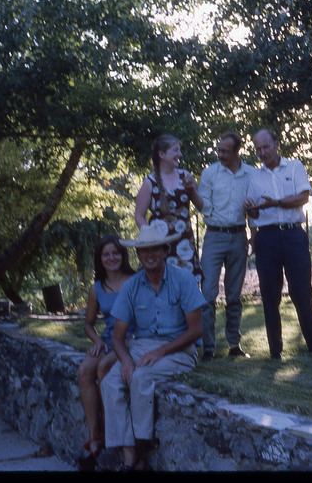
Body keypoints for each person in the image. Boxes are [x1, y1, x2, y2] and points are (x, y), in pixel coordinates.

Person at [100, 224, 207, 470]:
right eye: (144, 251)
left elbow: (196, 330)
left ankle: (141, 446)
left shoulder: (183, 279)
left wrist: (161, 352)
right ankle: (130, 458)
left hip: (180, 349)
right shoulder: (132, 285)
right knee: (109, 383)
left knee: (141, 377)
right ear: (137, 254)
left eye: (155, 250)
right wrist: (126, 360)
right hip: (141, 347)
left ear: (165, 250)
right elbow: (117, 338)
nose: (149, 255)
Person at [243, 129, 312, 359]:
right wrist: (250, 209)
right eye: (258, 149)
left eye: (266, 147)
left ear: (277, 144)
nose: (262, 152)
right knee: (270, 294)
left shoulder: (295, 167)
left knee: (301, 291)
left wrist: (275, 203)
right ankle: (275, 351)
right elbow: (254, 215)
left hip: (293, 235)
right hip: (266, 238)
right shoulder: (255, 177)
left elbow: (303, 197)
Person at [77, 235, 136, 470]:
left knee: (104, 368)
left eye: (116, 253)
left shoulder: (135, 280)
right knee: (84, 370)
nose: (111, 258)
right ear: (99, 259)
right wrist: (97, 340)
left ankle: (113, 433)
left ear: (123, 256)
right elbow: (88, 323)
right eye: (106, 254)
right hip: (111, 341)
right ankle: (95, 438)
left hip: (133, 340)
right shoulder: (96, 288)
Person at [197, 131, 255, 361]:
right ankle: (208, 348)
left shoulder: (251, 174)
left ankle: (234, 344)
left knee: (234, 295)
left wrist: (254, 234)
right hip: (214, 236)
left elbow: (254, 207)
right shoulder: (210, 173)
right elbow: (203, 205)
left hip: (239, 236)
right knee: (208, 294)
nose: (220, 154)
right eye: (218, 150)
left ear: (236, 151)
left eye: (225, 151)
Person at [134, 134, 204, 286]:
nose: (180, 154)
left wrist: (193, 189)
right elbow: (139, 215)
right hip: (159, 244)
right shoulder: (149, 182)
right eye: (175, 151)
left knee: (186, 286)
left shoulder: (185, 176)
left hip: (184, 240)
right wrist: (150, 236)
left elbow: (201, 206)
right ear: (162, 154)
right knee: (160, 283)